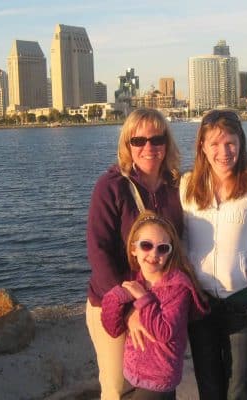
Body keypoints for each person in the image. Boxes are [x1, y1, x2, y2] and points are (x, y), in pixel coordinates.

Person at [180, 109, 247, 399]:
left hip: (241, 304)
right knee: (209, 388)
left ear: (241, 143)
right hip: (200, 305)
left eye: (230, 143)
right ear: (202, 146)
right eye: (214, 143)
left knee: (238, 388)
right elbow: (184, 238)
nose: (223, 152)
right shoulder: (187, 186)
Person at [86, 108, 183, 399]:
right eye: (138, 140)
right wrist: (128, 310)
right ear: (127, 145)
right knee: (117, 387)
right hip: (113, 302)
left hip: (158, 304)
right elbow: (98, 250)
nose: (148, 147)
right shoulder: (112, 187)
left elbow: (192, 237)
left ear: (167, 143)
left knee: (158, 382)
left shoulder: (177, 187)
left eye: (157, 139)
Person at [101, 211, 208, 400]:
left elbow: (165, 332)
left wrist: (143, 299)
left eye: (162, 248)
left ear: (170, 252)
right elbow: (112, 328)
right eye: (146, 245)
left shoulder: (177, 288)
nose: (153, 254)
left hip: (159, 378)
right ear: (133, 248)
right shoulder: (135, 282)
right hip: (132, 374)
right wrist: (118, 297)